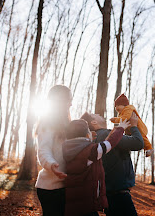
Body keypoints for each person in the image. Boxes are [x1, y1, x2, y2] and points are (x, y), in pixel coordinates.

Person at [62, 119, 130, 216]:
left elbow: (101, 146)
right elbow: (109, 144)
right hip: (87, 205)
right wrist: (121, 128)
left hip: (72, 203)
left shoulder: (68, 150)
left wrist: (110, 134)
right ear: (86, 135)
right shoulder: (90, 151)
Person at [81, 112, 144, 216]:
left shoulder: (91, 141)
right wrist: (133, 126)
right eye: (96, 114)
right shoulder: (108, 134)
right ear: (94, 122)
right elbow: (138, 143)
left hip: (106, 194)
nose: (99, 114)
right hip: (119, 195)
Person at [35, 85, 72, 216]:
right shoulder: (48, 123)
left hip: (64, 186)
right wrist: (52, 165)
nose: (71, 104)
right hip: (49, 188)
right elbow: (43, 150)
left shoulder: (67, 125)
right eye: (68, 100)